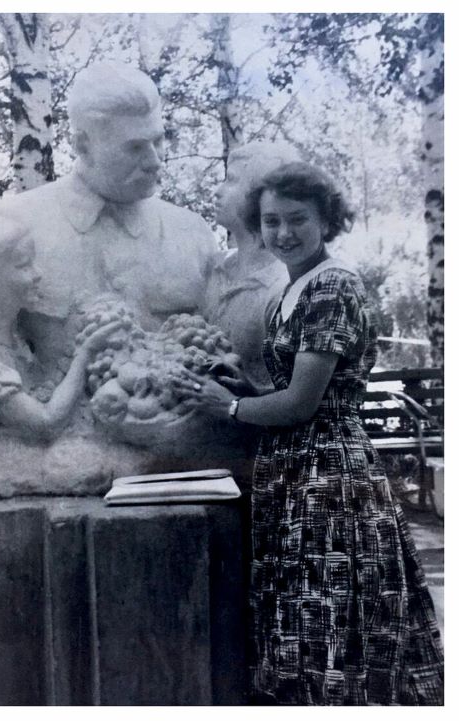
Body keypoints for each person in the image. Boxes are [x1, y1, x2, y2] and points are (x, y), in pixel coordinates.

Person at [171, 161, 444, 705]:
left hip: (329, 480)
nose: (283, 233)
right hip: (296, 473)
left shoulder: (331, 287)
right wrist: (248, 388)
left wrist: (230, 408)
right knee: (306, 626)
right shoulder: (294, 288)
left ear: (326, 220)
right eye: (271, 221)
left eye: (297, 219)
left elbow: (301, 404)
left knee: (333, 628)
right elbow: (297, 390)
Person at [0, 61, 217, 412]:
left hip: (178, 437)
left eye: (159, 140)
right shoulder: (10, 225)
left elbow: (228, 345)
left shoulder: (191, 233)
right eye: (135, 147)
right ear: (82, 145)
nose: (155, 161)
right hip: (49, 434)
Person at [0, 211, 123, 440]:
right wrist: (86, 353)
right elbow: (46, 422)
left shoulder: (16, 338)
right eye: (23, 265)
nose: (38, 274)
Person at [202, 142, 292, 392]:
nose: (218, 192)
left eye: (231, 181)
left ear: (262, 197)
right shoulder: (214, 266)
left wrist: (249, 396)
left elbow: (299, 398)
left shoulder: (282, 289)